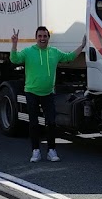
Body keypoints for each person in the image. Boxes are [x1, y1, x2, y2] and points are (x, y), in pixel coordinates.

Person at [10, 26, 86, 162]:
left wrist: (82, 46)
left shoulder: (54, 52)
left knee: (51, 122)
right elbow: (14, 59)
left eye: (45, 36)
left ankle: (51, 150)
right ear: (36, 38)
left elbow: (69, 57)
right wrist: (14, 44)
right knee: (33, 123)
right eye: (40, 36)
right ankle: (36, 151)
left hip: (48, 93)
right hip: (31, 92)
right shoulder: (28, 52)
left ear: (48, 38)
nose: (42, 39)